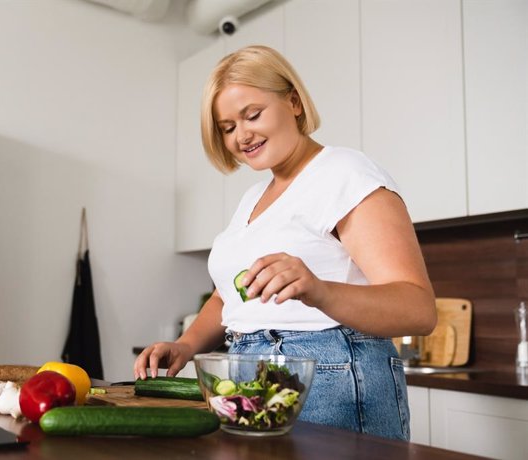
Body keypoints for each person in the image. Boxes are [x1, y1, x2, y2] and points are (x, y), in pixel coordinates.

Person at [133, 45, 436, 441]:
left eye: (252, 115)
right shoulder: (252, 199)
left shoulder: (345, 173)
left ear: (293, 101)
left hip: (332, 376)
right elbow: (230, 297)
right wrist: (186, 345)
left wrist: (320, 290)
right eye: (227, 127)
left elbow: (418, 308)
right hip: (248, 376)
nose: (242, 135)